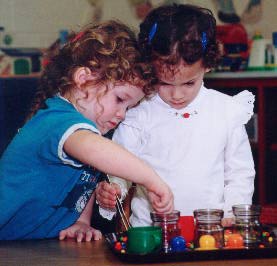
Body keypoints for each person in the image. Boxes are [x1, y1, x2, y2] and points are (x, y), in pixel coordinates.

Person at [0, 20, 174, 241]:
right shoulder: (57, 120)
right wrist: (151, 179)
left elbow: (84, 178)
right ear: (83, 79)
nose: (122, 114)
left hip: (33, 247)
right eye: (119, 99)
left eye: (129, 107)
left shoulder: (84, 131)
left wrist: (81, 222)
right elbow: (95, 151)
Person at [96, 4, 255, 228]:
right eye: (165, 83)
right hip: (151, 232)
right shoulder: (139, 113)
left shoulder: (226, 111)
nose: (177, 95)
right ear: (150, 67)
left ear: (207, 66)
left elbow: (240, 174)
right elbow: (119, 167)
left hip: (212, 229)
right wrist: (114, 191)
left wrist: (233, 212)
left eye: (189, 83)